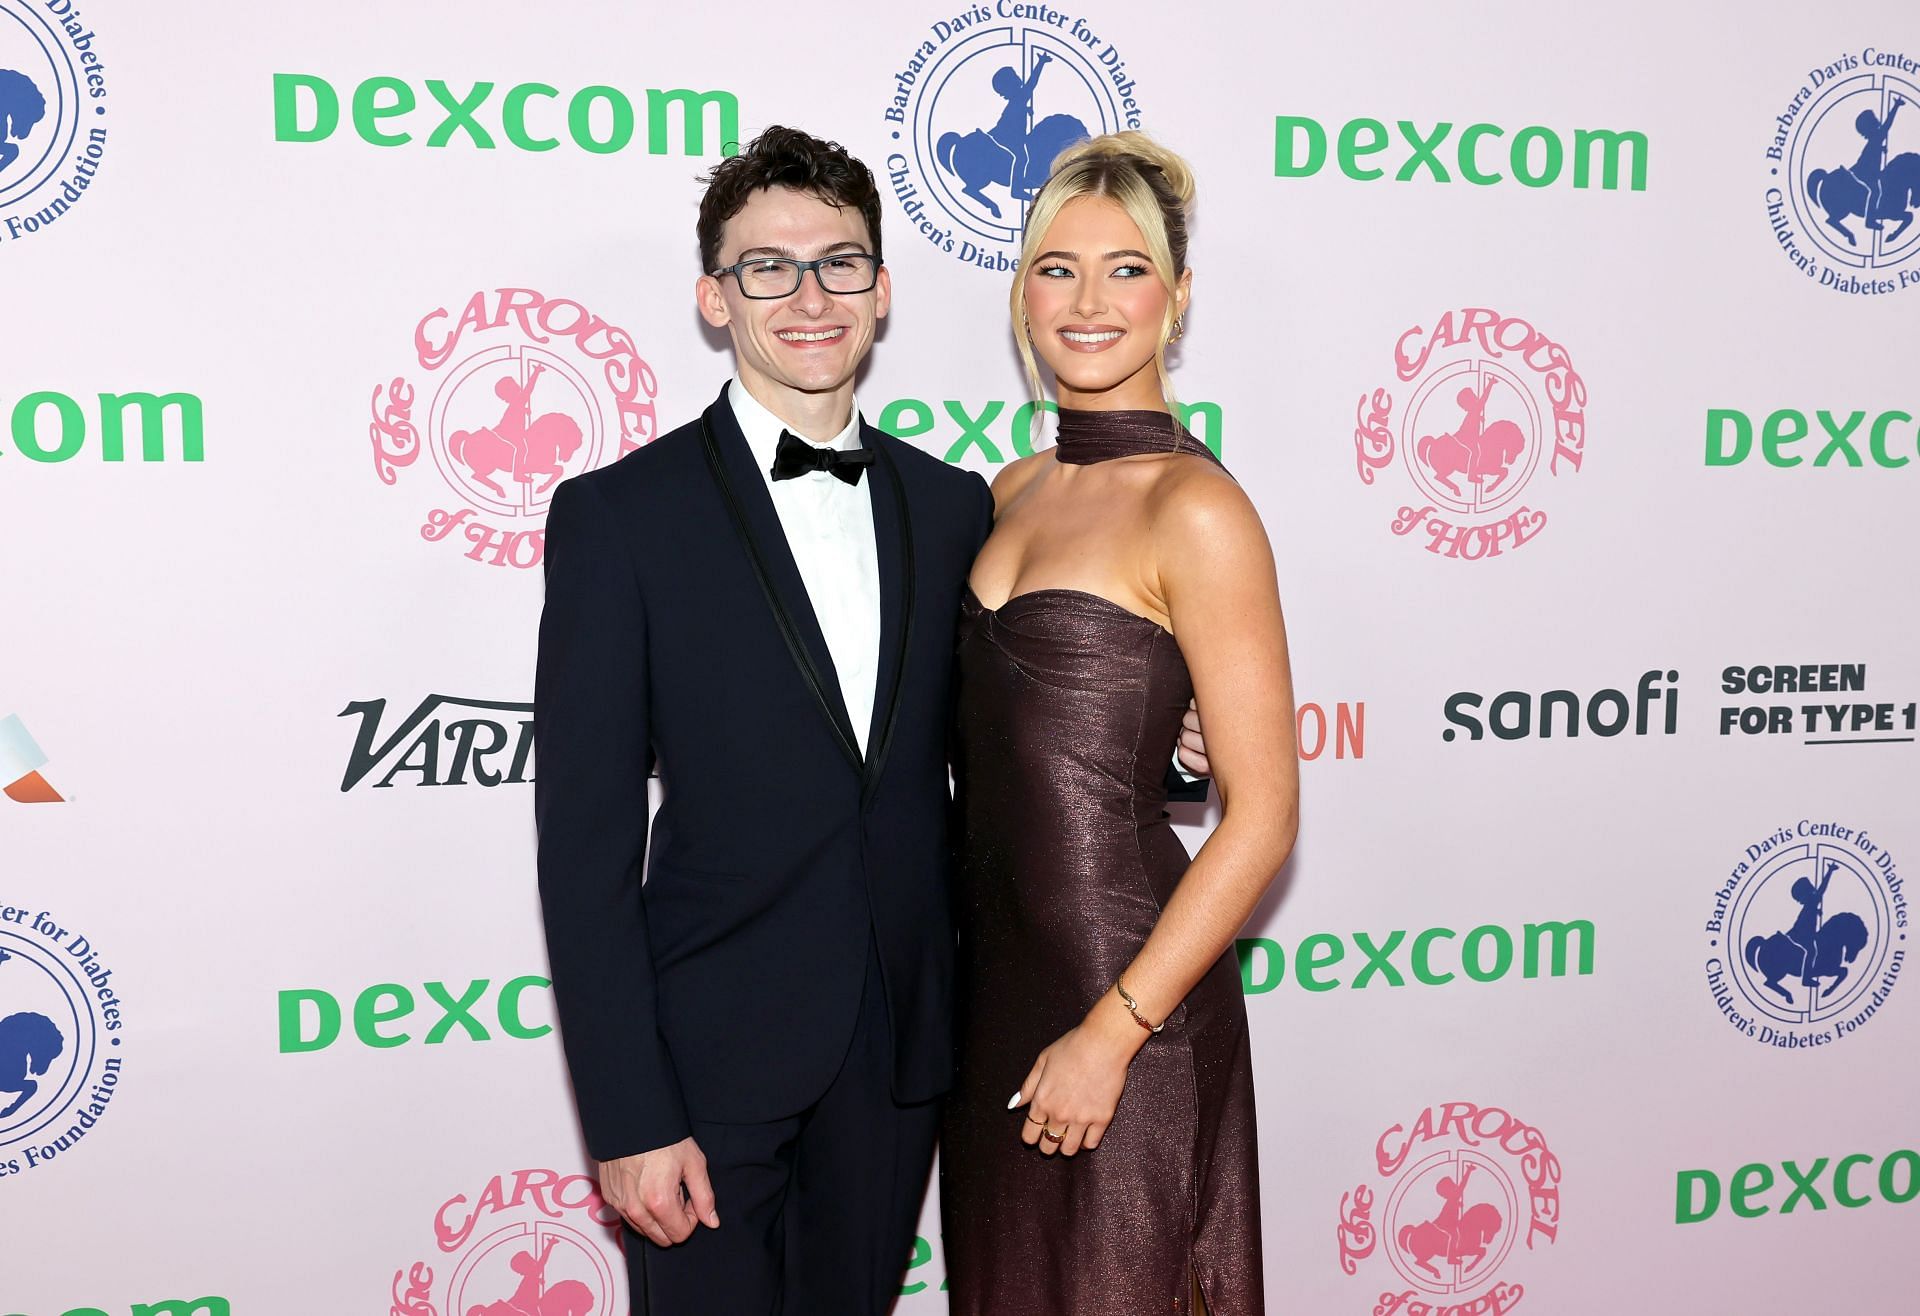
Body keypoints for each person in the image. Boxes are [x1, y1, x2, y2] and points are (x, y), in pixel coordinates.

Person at [533, 124, 1214, 1315]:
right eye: (767, 266)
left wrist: (1166, 740)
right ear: (713, 295)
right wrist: (631, 1112)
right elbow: (581, 843)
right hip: (706, 1069)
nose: (808, 295)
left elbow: (1011, 730)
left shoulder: (955, 503)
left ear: (883, 288)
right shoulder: (617, 517)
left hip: (905, 1055)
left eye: (840, 262)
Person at [941, 132, 1299, 1316]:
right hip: (994, 1005)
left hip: (1127, 1004)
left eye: (1126, 268)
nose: (1087, 301)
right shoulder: (1005, 490)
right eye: (1056, 268)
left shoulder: (1197, 508)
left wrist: (1114, 1032)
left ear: (1178, 296)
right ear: (1019, 295)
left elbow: (1262, 818)